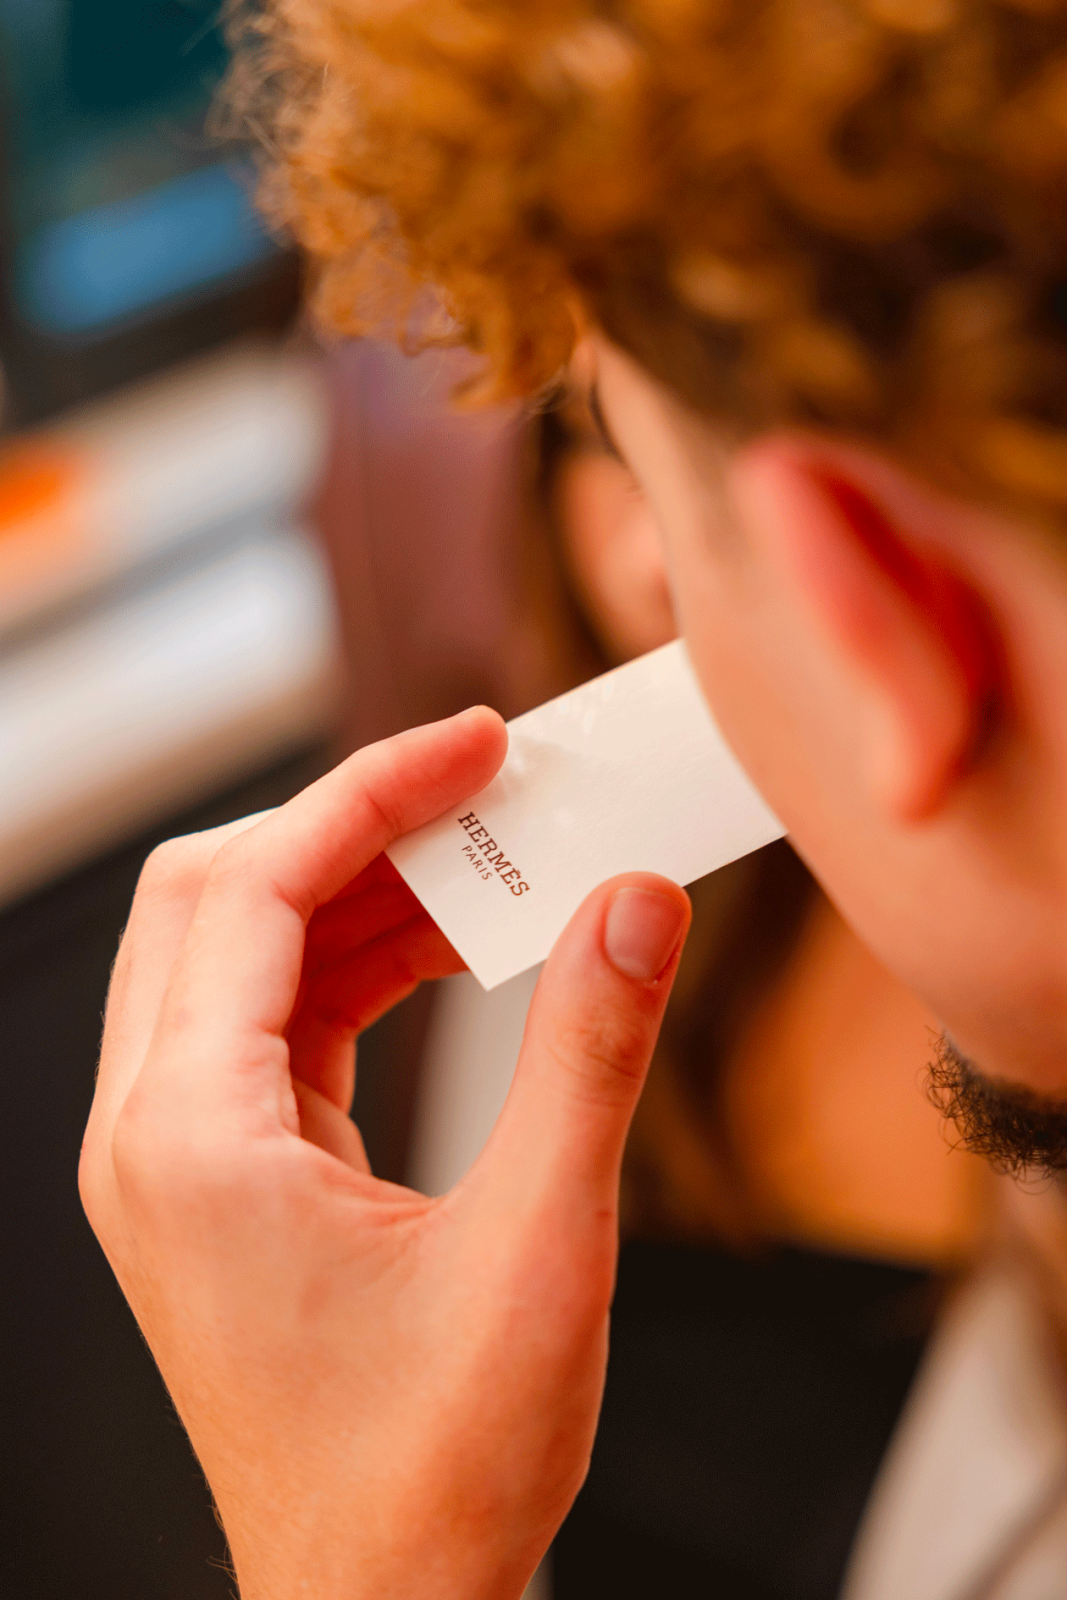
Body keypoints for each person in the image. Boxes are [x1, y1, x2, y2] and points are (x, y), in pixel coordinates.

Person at [79, 4, 1067, 1597]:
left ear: (862, 603)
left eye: (643, 467)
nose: (638, 578)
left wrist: (355, 1563)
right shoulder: (586, 924)